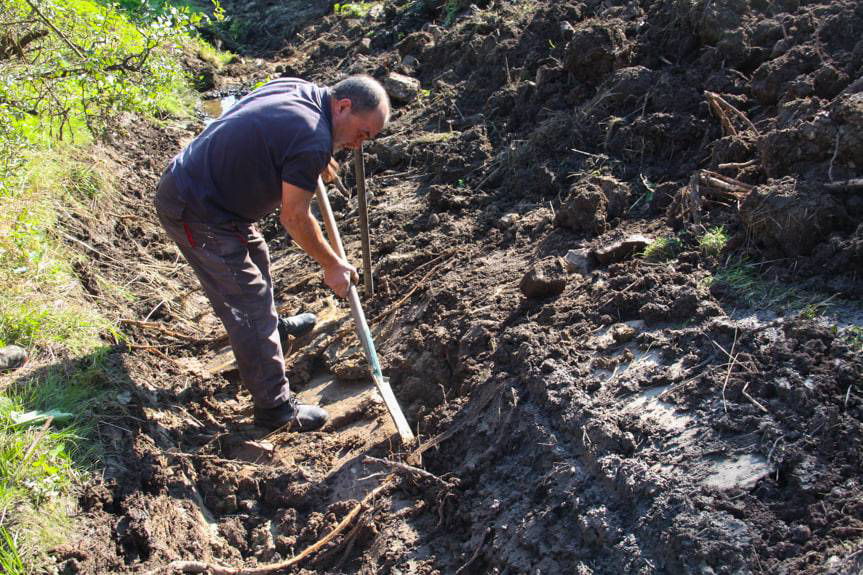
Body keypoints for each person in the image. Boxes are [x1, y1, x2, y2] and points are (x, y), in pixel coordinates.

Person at [154, 75, 390, 432]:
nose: (358, 145)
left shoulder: (302, 90)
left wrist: (316, 154)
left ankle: (272, 332)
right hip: (196, 208)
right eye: (363, 132)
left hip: (218, 199)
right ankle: (275, 409)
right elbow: (294, 217)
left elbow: (273, 132)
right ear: (343, 106)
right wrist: (332, 264)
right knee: (249, 302)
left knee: (258, 257)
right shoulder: (311, 139)